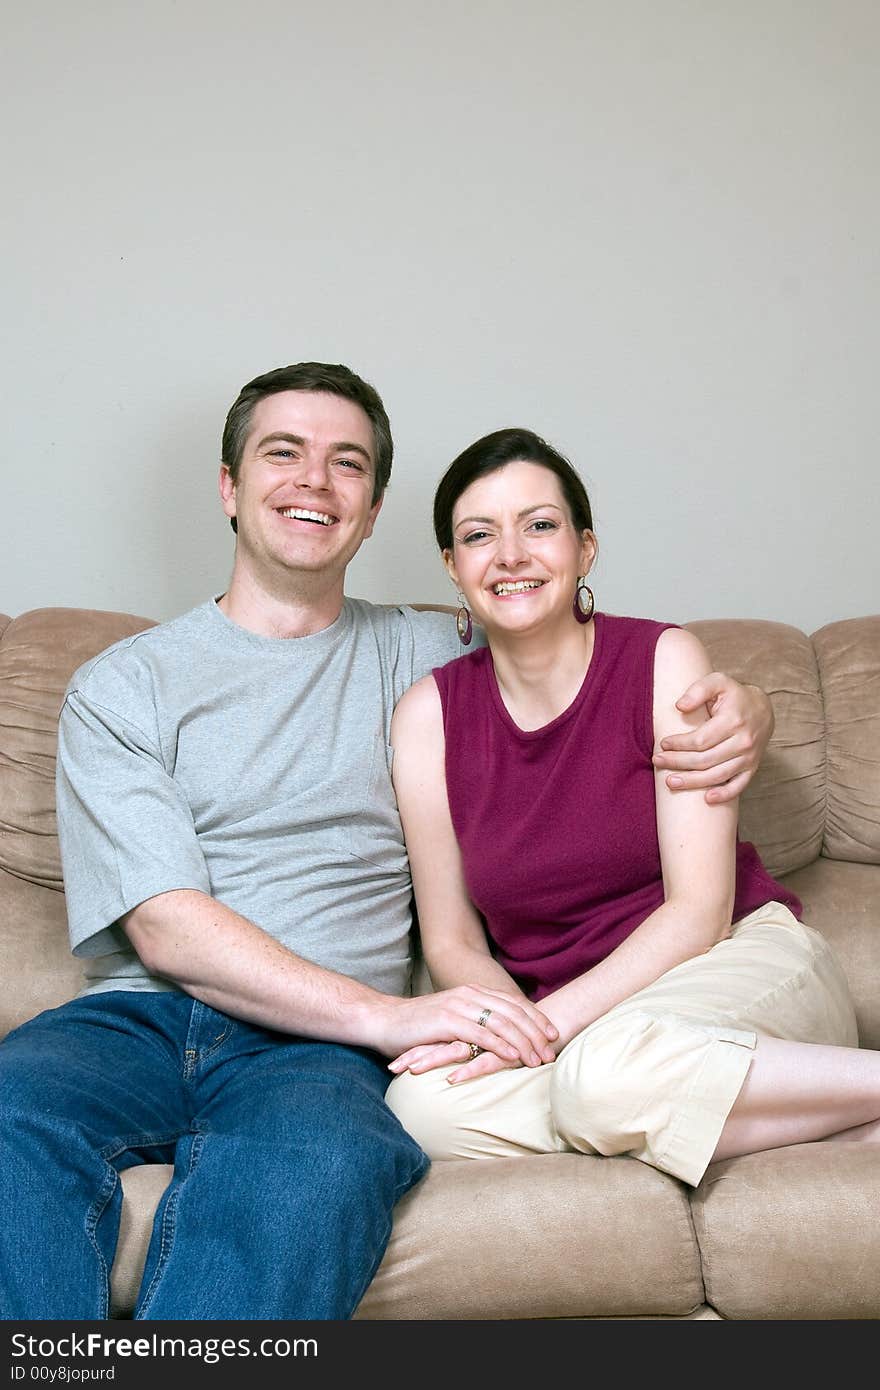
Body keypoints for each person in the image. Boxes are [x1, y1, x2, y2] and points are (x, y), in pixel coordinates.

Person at [0, 368, 774, 1322]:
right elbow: (164, 929)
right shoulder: (123, 687)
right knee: (7, 1116)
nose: (314, 482)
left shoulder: (438, 656)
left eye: (348, 464)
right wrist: (383, 1016)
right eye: (283, 453)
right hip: (134, 1023)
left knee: (316, 1166)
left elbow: (589, 658)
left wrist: (746, 707)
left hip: (315, 1054)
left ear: (371, 512)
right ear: (230, 489)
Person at [385, 426, 878, 1187]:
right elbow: (452, 940)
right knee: (422, 1110)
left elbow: (700, 911)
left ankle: (646, 1094)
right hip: (590, 1029)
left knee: (603, 1077)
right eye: (479, 536)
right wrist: (508, 1027)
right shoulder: (428, 716)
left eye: (539, 526)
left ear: (584, 550)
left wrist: (549, 1034)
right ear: (454, 567)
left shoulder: (660, 659)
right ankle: (816, 1123)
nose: (511, 555)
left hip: (734, 965)